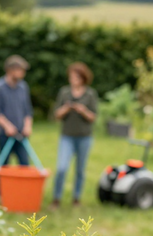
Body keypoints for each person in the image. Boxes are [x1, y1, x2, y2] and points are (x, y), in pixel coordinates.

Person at [51, 62, 98, 208]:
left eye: (77, 77)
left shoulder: (90, 94)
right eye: (71, 76)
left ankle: (76, 198)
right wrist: (66, 108)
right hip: (67, 136)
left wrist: (82, 110)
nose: (73, 79)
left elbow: (93, 117)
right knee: (61, 168)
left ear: (83, 78)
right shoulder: (64, 92)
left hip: (84, 137)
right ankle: (56, 199)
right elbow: (56, 115)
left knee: (80, 170)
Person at [0, 54, 33, 166]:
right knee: (3, 166)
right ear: (11, 70)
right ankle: (1, 184)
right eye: (20, 70)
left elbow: (27, 110)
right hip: (4, 134)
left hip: (21, 134)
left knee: (25, 165)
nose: (23, 73)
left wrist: (27, 126)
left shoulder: (23, 86)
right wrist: (7, 126)